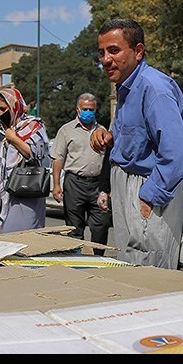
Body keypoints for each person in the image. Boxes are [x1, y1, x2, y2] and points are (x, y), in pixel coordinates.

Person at [90, 18, 183, 269]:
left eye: (114, 50)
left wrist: (150, 196)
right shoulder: (126, 88)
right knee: (130, 262)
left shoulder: (153, 87)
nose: (105, 59)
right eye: (102, 52)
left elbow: (179, 153)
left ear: (138, 51)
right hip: (130, 184)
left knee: (148, 265)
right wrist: (108, 136)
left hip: (150, 185)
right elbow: (138, 133)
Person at [0, 87, 50, 233]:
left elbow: (35, 154)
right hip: (7, 190)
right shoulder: (4, 130)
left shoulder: (33, 126)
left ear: (15, 106)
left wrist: (13, 138)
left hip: (26, 190)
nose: (0, 113)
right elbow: (5, 160)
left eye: (3, 108)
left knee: (23, 236)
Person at [50, 93, 111, 255]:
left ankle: (99, 259)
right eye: (85, 109)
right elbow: (58, 159)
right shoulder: (66, 130)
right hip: (74, 183)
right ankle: (75, 259)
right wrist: (56, 185)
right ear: (78, 109)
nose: (88, 112)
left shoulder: (102, 130)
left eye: (91, 109)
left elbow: (108, 161)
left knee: (101, 225)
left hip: (98, 185)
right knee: (74, 226)